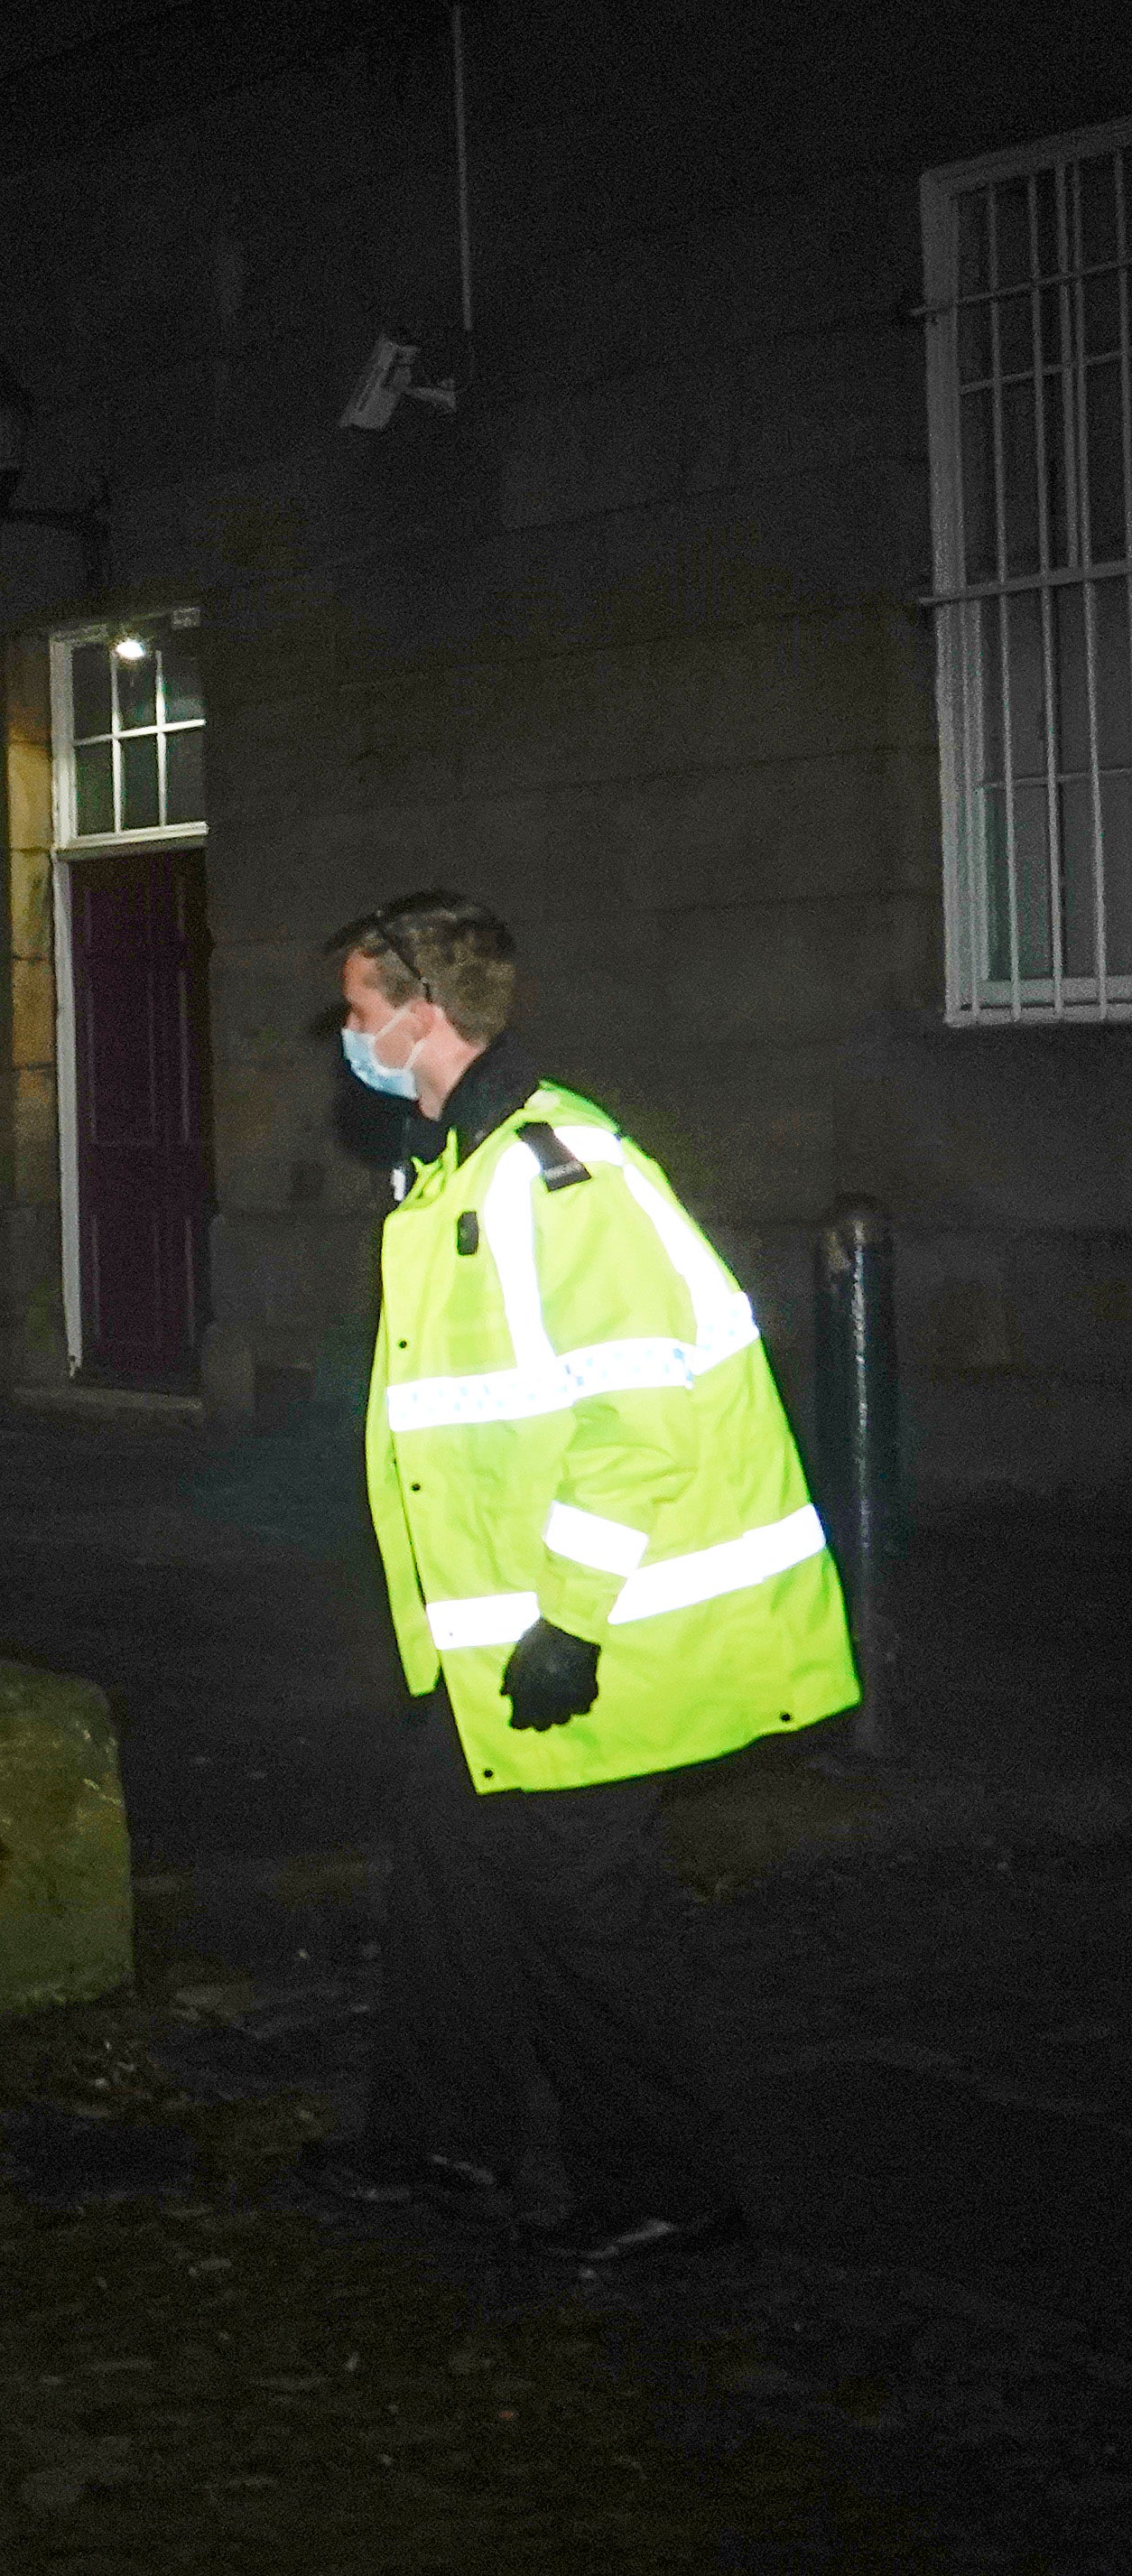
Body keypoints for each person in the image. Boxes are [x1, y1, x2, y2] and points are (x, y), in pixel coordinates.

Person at [301, 892, 854, 2267]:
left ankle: (672, 2191)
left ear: (422, 1014)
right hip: (506, 1637)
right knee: (452, 1877)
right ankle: (439, 2142)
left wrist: (570, 1623)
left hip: (590, 1633)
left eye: (360, 1010)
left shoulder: (557, 1175)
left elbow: (643, 1413)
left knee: (581, 1912)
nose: (349, 1035)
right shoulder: (460, 1174)